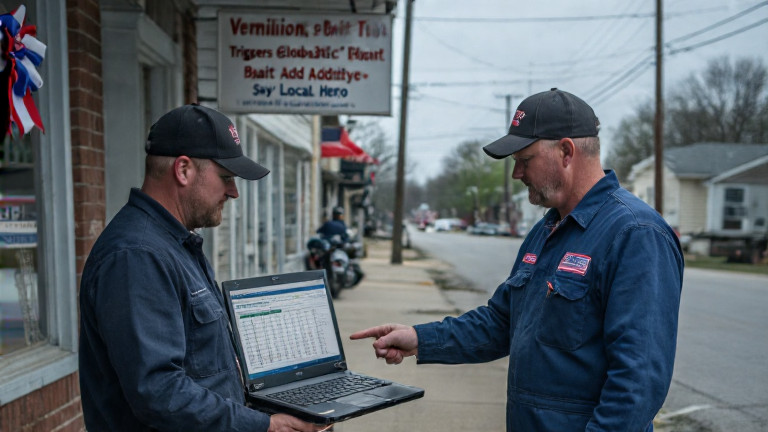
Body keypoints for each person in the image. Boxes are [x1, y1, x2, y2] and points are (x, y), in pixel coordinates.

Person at [351, 88, 684, 431]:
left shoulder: (636, 234)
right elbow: (501, 323)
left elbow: (638, 383)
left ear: (566, 151)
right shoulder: (548, 229)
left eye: (525, 160)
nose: (517, 174)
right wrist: (421, 339)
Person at [79, 104, 328, 432]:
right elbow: (160, 393)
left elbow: (199, 365)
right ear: (183, 170)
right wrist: (263, 426)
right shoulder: (137, 256)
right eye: (226, 177)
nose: (234, 192)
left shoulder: (176, 244)